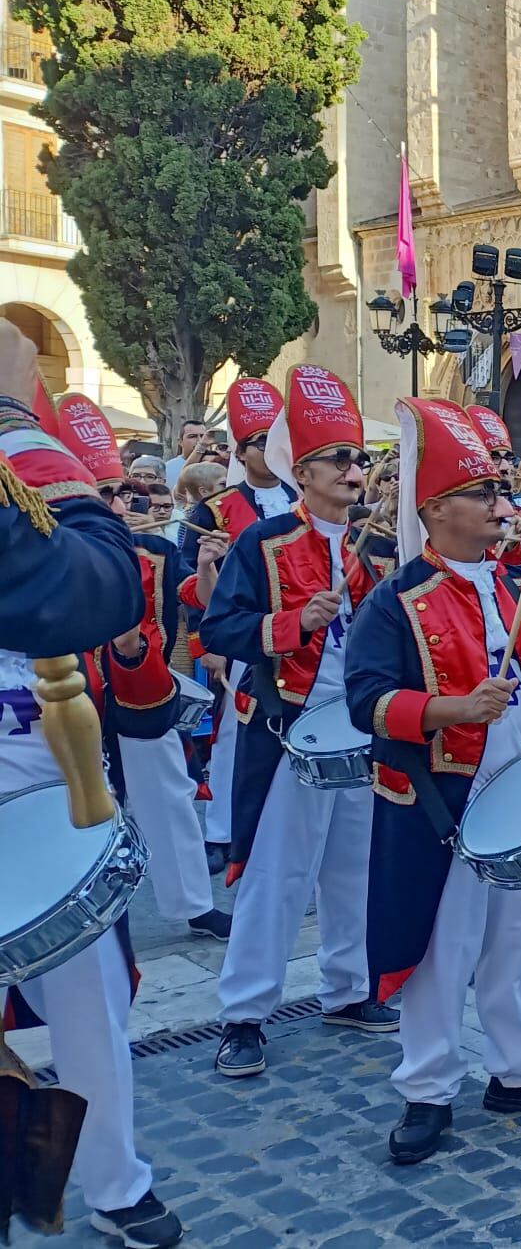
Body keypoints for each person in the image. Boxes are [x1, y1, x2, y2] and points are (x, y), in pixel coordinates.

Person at [345, 396, 521, 1165]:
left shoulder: (512, 586)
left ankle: (520, 1070)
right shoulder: (395, 600)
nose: (500, 505)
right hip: (444, 800)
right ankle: (427, 1090)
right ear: (434, 511)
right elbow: (367, 700)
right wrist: (451, 708)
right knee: (443, 948)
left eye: (497, 492)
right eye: (482, 494)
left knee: (518, 941)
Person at [0, 323, 188, 1248]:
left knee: (95, 1008)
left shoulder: (26, 493)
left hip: (54, 808)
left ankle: (115, 1181)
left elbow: (141, 693)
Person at [199, 367, 397, 1078]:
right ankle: (245, 1014)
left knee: (355, 868)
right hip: (290, 729)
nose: (355, 470)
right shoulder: (268, 542)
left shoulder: (370, 549)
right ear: (304, 471)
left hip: (359, 729)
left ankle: (347, 990)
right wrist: (290, 624)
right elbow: (219, 627)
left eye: (358, 458)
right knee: (279, 877)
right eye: (340, 459)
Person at [47, 394, 230, 948]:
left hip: (136, 691)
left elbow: (181, 614)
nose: (119, 507)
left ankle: (194, 905)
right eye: (104, 495)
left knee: (169, 795)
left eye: (120, 493)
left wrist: (205, 572)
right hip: (56, 708)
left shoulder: (150, 553)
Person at [177, 378, 298, 868]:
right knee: (231, 733)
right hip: (244, 636)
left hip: (300, 632)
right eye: (261, 443)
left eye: (277, 442)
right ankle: (223, 831)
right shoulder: (213, 509)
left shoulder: (302, 499)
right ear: (243, 452)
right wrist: (205, 640)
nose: (270, 452)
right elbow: (191, 584)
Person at [163, 419, 208, 488]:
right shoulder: (167, 469)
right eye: (192, 436)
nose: (200, 441)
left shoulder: (216, 465)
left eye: (203, 436)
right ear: (180, 441)